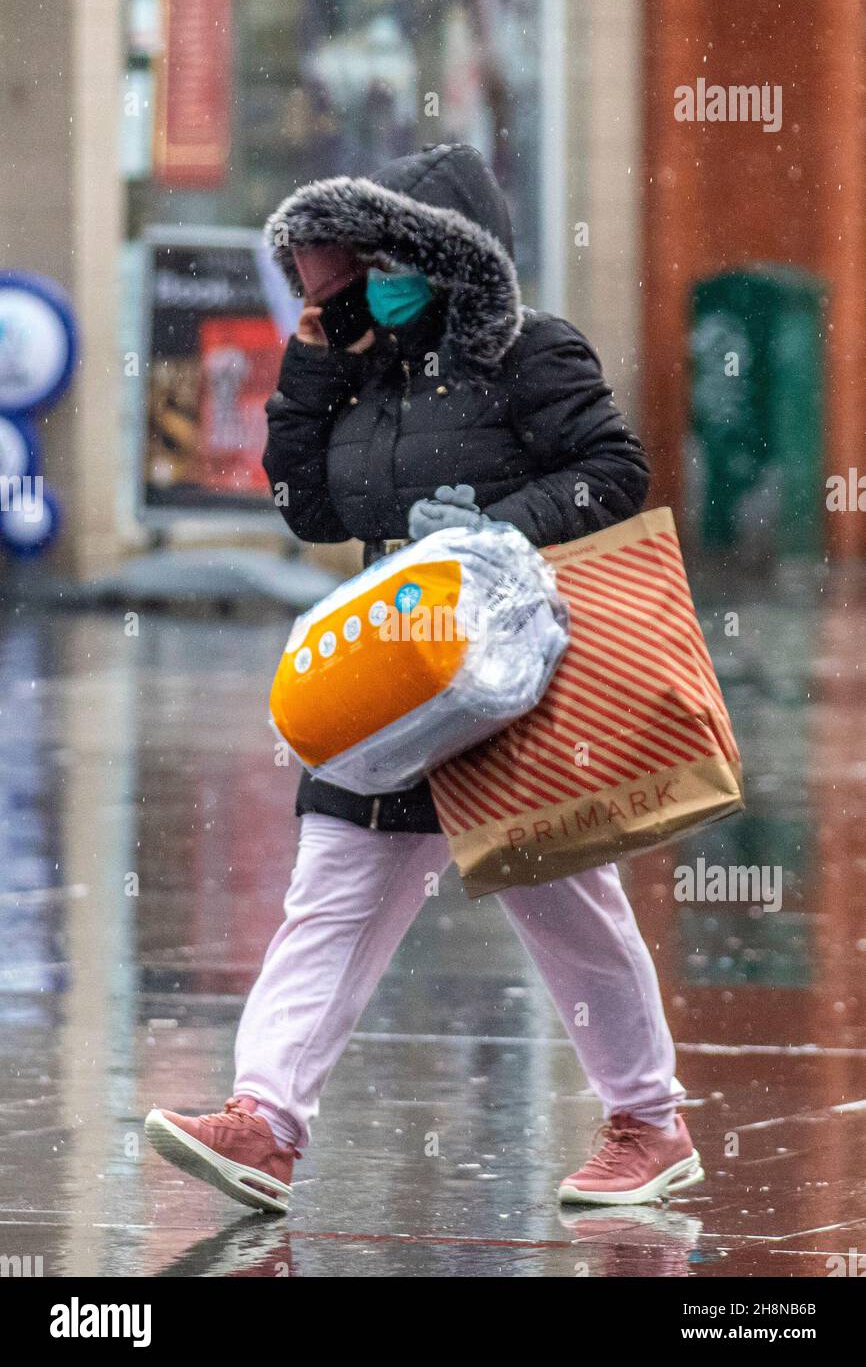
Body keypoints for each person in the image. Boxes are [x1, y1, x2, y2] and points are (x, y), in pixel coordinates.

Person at [145, 143, 703, 1214]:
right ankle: (263, 1121)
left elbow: (613, 472)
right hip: (396, 686)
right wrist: (311, 360)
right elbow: (307, 507)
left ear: (441, 260)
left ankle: (646, 1122)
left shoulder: (530, 354)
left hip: (514, 683)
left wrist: (495, 537)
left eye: (375, 266)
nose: (361, 290)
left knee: (566, 905)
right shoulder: (362, 371)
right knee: (331, 891)